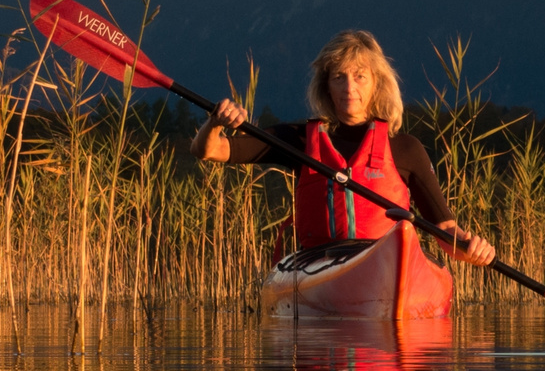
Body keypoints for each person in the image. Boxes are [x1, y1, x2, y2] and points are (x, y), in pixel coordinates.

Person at [191, 30, 497, 266]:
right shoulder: (298, 140)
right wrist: (216, 123)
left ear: (376, 83)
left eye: (360, 76)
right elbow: (209, 150)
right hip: (319, 264)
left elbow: (445, 231)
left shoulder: (406, 149)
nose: (349, 88)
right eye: (339, 77)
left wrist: (472, 250)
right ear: (326, 86)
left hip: (385, 264)